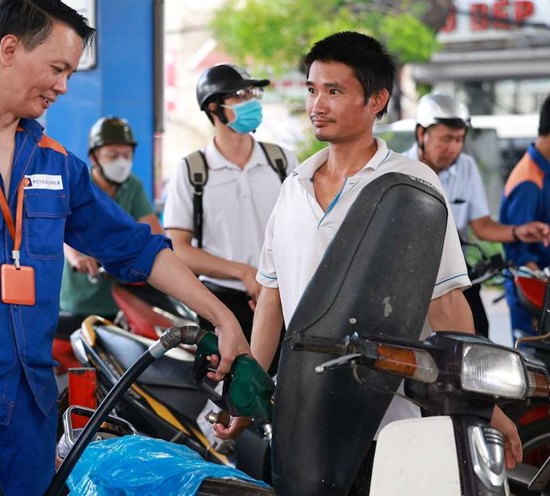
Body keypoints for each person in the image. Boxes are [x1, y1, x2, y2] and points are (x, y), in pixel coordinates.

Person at [0, 2, 248, 494]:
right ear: (11, 49)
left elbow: (136, 247)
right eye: (57, 69)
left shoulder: (57, 164)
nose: (63, 86)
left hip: (32, 408)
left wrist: (220, 317)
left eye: (70, 73)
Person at [213, 31, 522, 490]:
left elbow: (447, 305)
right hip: (303, 417)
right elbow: (273, 300)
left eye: (334, 91)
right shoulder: (294, 185)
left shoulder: (409, 186)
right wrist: (247, 398)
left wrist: (482, 405)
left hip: (389, 420)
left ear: (377, 100)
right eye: (313, 90)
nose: (318, 104)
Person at [163, 63, 299, 348]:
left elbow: (304, 232)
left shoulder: (283, 163)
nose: (251, 102)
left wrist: (272, 280)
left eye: (252, 94)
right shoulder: (192, 170)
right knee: (227, 389)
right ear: (214, 107)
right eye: (240, 95)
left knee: (286, 389)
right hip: (219, 305)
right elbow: (180, 249)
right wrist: (244, 273)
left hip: (285, 299)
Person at [403, 92, 550, 338]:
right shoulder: (401, 171)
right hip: (409, 272)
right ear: (421, 134)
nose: (455, 148)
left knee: (478, 338)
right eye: (447, 139)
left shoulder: (466, 168)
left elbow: (481, 225)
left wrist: (517, 232)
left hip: (453, 270)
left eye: (460, 140)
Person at [59, 116, 163, 324]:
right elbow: (62, 230)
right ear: (94, 157)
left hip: (122, 298)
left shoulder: (132, 186)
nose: (121, 162)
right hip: (80, 299)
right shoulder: (79, 184)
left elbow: (153, 229)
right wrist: (77, 259)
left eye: (126, 155)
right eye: (113, 155)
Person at [500, 94, 550, 340]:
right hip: (533, 298)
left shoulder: (543, 171)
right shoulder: (529, 183)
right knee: (536, 373)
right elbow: (521, 257)